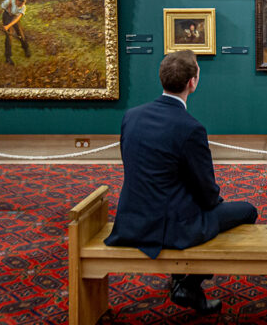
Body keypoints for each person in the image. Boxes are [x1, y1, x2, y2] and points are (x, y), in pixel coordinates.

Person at [105, 51, 258, 315]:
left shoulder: (132, 116)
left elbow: (135, 167)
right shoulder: (190, 127)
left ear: (161, 79)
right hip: (170, 227)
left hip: (131, 219)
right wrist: (211, 205)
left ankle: (183, 281)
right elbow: (207, 192)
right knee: (248, 211)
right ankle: (189, 281)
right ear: (192, 82)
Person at [0, 0, 30, 65]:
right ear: (16, 0)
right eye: (20, 3)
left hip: (14, 18)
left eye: (23, 3)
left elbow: (17, 19)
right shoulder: (8, 2)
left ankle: (26, 49)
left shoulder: (23, 7)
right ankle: (8, 58)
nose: (22, 4)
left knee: (21, 34)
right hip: (6, 16)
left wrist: (8, 26)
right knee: (8, 36)